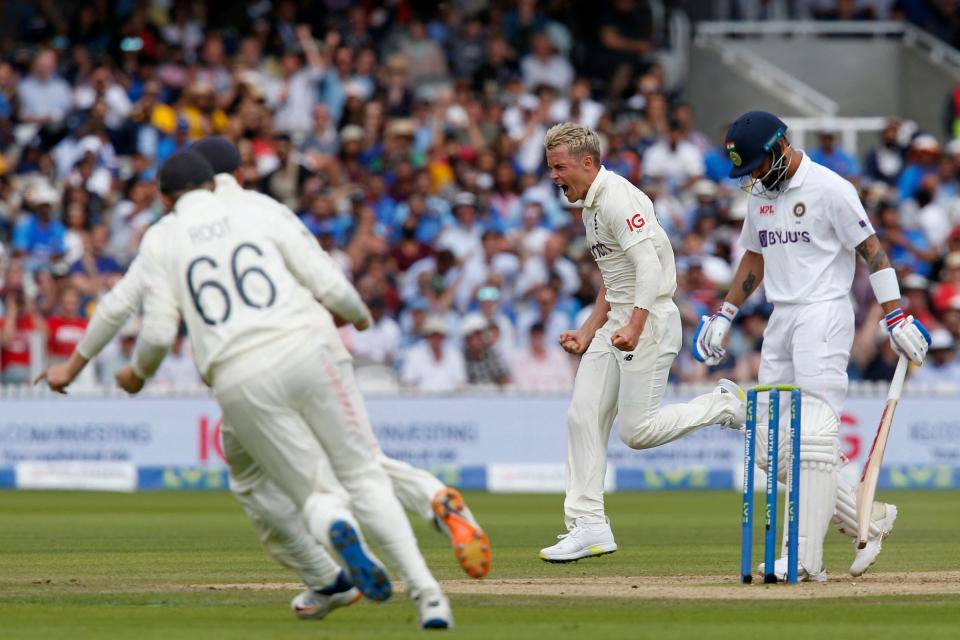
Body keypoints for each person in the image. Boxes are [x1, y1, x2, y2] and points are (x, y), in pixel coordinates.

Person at [36, 137, 490, 609]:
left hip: (243, 369)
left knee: (259, 483)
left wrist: (76, 365)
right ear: (232, 174)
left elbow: (120, 308)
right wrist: (353, 313)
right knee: (356, 459)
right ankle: (433, 500)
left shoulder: (171, 232)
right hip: (315, 344)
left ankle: (329, 576)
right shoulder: (262, 206)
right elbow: (324, 273)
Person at [694, 110, 932, 582]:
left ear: (781, 146)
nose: (755, 177)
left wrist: (895, 314)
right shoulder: (762, 192)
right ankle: (870, 517)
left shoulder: (831, 188)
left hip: (824, 312)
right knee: (767, 444)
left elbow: (873, 251)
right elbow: (754, 255)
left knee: (812, 438)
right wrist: (725, 312)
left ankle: (804, 558)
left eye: (759, 164)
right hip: (782, 318)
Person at [538, 123, 746, 563]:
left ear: (587, 162)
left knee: (637, 432)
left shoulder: (617, 198)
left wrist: (634, 324)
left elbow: (648, 269)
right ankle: (589, 526)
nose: (554, 176)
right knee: (582, 417)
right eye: (550, 168)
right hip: (620, 318)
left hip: (649, 322)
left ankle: (725, 405)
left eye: (559, 167)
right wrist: (589, 329)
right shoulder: (589, 205)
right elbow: (615, 278)